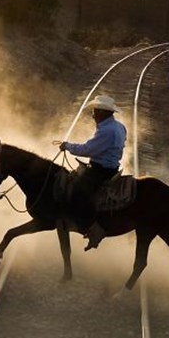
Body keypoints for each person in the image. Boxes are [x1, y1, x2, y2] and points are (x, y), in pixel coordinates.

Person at [60, 95, 127, 250]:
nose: (93, 115)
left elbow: (88, 149)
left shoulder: (106, 131)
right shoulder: (119, 127)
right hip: (111, 167)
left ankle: (93, 228)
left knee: (77, 192)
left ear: (104, 113)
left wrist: (68, 146)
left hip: (100, 170)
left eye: (95, 111)